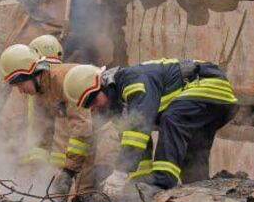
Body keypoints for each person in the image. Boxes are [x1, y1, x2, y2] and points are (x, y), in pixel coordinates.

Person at [63, 58, 237, 194]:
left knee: (172, 118)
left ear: (102, 85)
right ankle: (201, 191)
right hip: (209, 101)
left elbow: (139, 127)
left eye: (92, 100)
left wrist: (120, 173)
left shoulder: (133, 80)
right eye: (88, 106)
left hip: (210, 85)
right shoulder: (121, 106)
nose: (94, 108)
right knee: (192, 158)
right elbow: (139, 145)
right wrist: (136, 186)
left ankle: (162, 183)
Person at [0, 43, 92, 201]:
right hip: (87, 131)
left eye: (20, 84)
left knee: (88, 194)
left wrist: (68, 172)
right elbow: (42, 135)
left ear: (30, 73)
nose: (20, 90)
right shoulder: (40, 92)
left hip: (106, 129)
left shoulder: (65, 79)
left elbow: (82, 127)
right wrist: (38, 176)